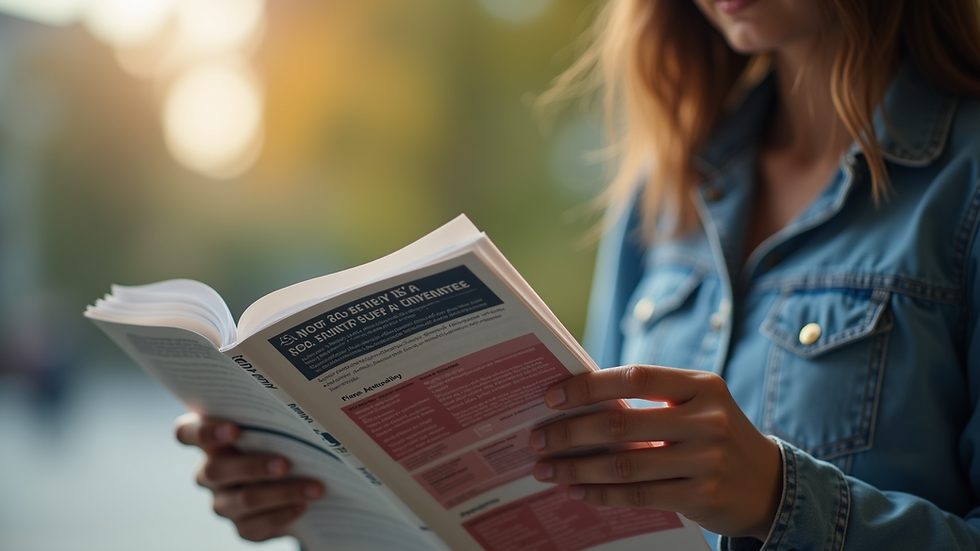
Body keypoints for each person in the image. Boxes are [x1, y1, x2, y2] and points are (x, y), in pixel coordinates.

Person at [176, 0, 980, 548]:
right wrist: (317, 492)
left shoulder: (965, 185)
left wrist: (778, 497)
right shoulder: (664, 194)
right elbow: (574, 505)